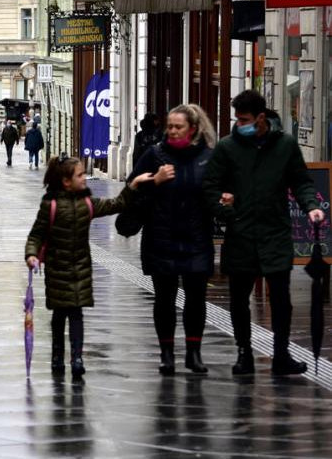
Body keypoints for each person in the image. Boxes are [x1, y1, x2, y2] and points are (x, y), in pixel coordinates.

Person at [203, 89, 324, 376]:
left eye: (244, 119)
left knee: (281, 299)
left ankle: (281, 355)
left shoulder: (285, 146)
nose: (239, 123)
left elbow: (301, 181)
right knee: (238, 298)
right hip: (241, 233)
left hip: (275, 233)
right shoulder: (227, 148)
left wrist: (311, 206)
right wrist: (226, 209)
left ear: (261, 117)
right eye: (236, 119)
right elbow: (210, 188)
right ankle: (244, 353)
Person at [25, 154, 153, 378]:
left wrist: (132, 186)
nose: (84, 178)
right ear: (66, 181)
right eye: (80, 174)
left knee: (76, 315)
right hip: (56, 270)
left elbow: (116, 204)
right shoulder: (51, 205)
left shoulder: (87, 203)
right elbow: (36, 234)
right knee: (58, 316)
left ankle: (76, 357)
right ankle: (57, 357)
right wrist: (31, 255)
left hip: (80, 269)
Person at [128, 104, 217, 376]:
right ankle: (167, 354)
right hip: (161, 236)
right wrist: (155, 180)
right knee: (164, 299)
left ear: (193, 129)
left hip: (196, 238)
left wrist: (225, 199)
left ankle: (194, 353)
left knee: (196, 299)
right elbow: (132, 187)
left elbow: (219, 189)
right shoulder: (154, 154)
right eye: (170, 126)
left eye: (178, 127)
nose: (173, 131)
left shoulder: (208, 157)